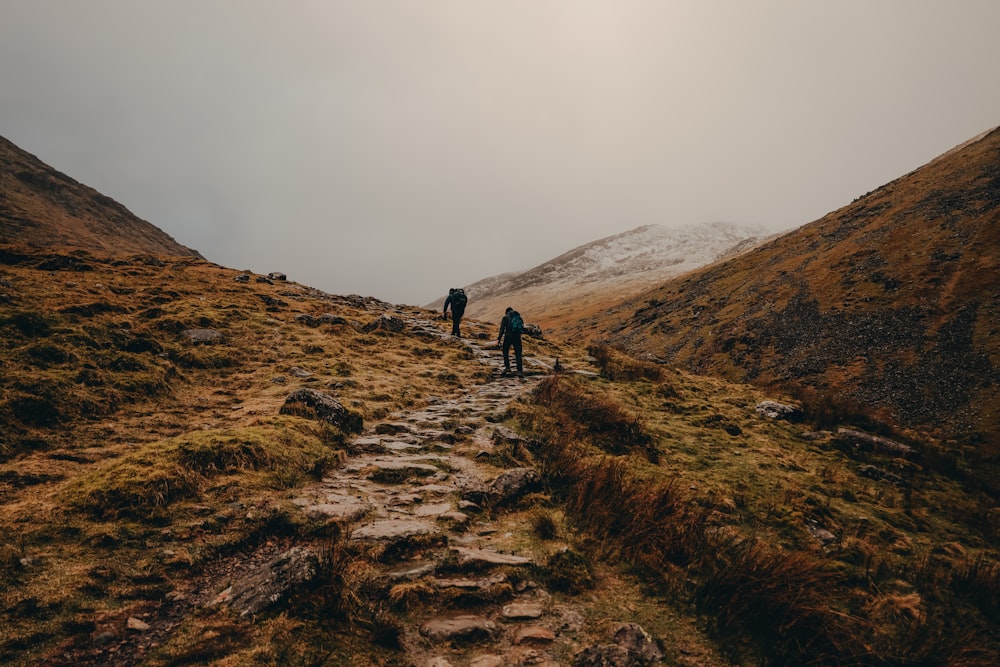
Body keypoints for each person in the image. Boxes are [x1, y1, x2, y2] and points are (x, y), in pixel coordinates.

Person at [497, 306, 524, 377]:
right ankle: (520, 371)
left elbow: (502, 329)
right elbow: (522, 327)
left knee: (505, 351)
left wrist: (499, 338)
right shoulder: (519, 317)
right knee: (518, 354)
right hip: (517, 337)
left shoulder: (505, 317)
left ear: (506, 312)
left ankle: (507, 367)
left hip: (508, 337)